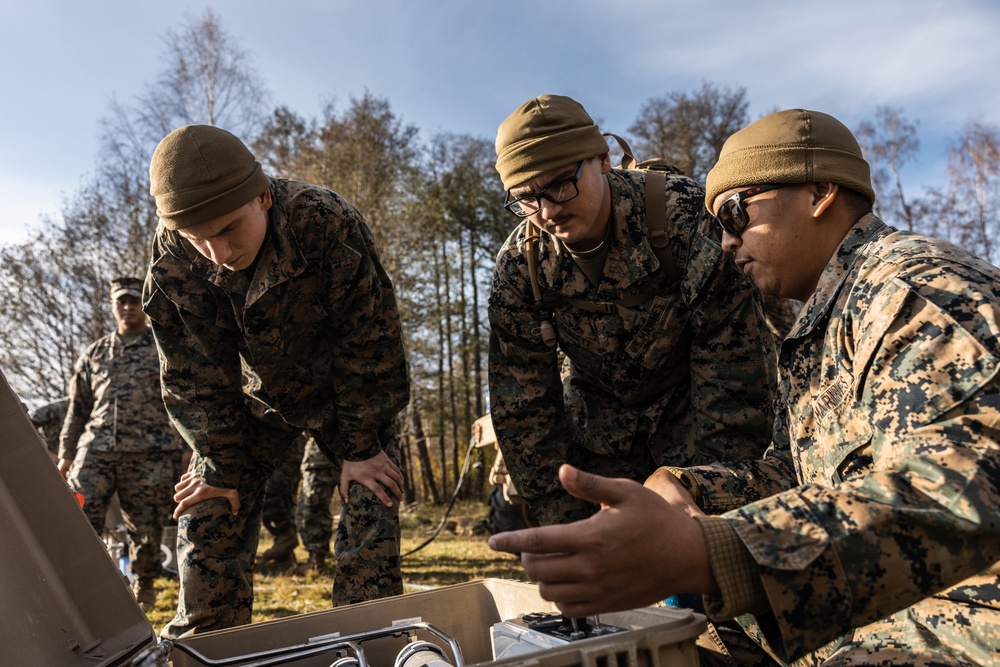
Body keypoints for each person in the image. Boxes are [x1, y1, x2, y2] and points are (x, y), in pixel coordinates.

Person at [490, 109, 1000, 665]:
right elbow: (789, 475)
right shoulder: (818, 333)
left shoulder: (910, 295)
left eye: (735, 214)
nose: (726, 244)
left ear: (820, 192)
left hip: (955, 625)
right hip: (867, 613)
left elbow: (968, 489)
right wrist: (689, 489)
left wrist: (714, 553)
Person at [143, 124, 409, 638]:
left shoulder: (324, 222)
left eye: (226, 230)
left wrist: (361, 446)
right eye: (197, 238)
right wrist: (218, 464)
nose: (215, 254)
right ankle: (207, 648)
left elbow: (370, 342)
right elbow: (192, 377)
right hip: (252, 406)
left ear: (262, 196)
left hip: (343, 395)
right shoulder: (171, 259)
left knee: (372, 499)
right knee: (207, 512)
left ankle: (368, 643)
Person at [488, 94, 776, 526]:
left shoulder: (684, 217)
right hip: (595, 439)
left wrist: (712, 506)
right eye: (526, 198)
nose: (547, 211)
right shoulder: (520, 265)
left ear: (603, 159)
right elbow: (524, 411)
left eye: (561, 184)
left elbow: (736, 378)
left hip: (695, 420)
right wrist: (564, 520)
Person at [58, 277, 186, 612]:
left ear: (142, 305)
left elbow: (182, 398)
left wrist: (188, 446)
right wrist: (66, 455)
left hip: (148, 453)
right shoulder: (95, 352)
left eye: (133, 301)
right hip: (96, 451)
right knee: (81, 518)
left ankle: (144, 585)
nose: (127, 307)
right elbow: (78, 407)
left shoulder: (163, 349)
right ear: (113, 306)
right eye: (121, 302)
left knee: (145, 527)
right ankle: (85, 588)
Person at [28, 396, 68, 464]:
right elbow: (29, 425)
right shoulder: (56, 408)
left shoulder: (87, 413)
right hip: (49, 457)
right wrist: (45, 448)